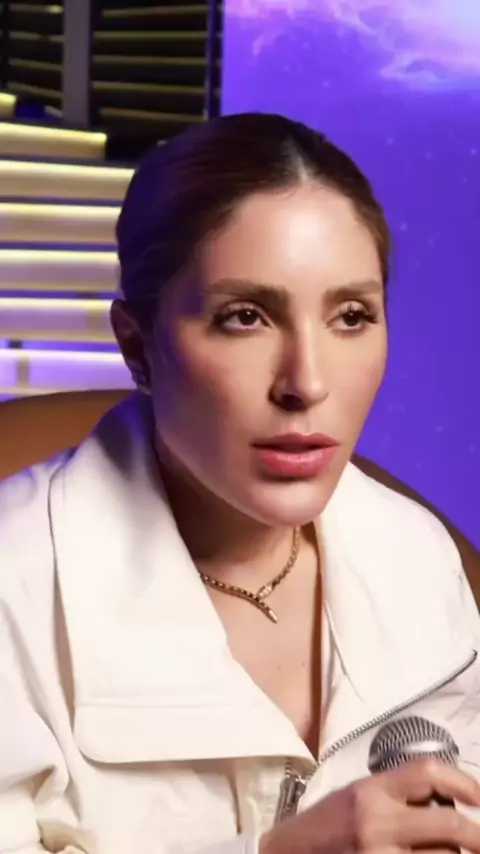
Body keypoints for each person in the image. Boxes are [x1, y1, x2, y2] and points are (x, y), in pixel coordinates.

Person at [1, 112, 480, 854]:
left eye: (352, 316)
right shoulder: (18, 584)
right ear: (138, 346)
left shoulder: (415, 552)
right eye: (246, 317)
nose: (307, 383)